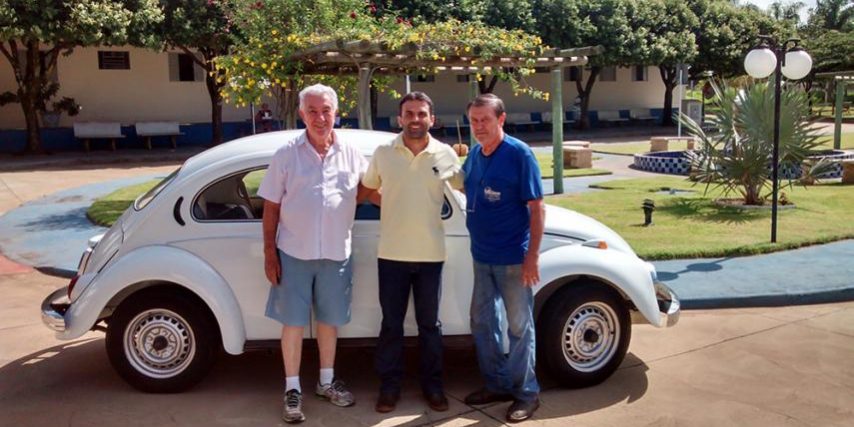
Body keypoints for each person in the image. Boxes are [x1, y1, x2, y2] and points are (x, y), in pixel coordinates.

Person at [257, 84, 369, 424]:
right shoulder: (286, 154)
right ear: (302, 114)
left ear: (336, 113)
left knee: (329, 322)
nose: (320, 118)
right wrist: (270, 254)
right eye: (313, 111)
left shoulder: (351, 152)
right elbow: (271, 207)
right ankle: (292, 389)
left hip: (337, 252)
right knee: (292, 323)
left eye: (326, 111)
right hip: (293, 252)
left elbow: (367, 189)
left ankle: (325, 381)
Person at [361, 92, 463, 414]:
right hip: (391, 255)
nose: (415, 119)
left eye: (422, 114)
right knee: (391, 325)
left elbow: (463, 186)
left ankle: (433, 387)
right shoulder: (383, 152)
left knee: (429, 326)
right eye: (409, 113)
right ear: (399, 118)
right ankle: (389, 388)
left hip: (431, 255)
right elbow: (366, 190)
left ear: (432, 119)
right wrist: (389, 201)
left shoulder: (444, 154)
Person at [460, 93, 545, 423]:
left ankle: (527, 393)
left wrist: (532, 257)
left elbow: (537, 208)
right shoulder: (476, 155)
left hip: (513, 258)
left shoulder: (519, 154)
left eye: (485, 120)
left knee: (519, 327)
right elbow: (468, 189)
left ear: (501, 119)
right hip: (481, 256)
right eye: (474, 121)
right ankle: (496, 385)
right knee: (482, 323)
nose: (479, 126)